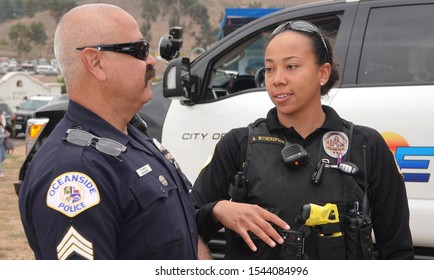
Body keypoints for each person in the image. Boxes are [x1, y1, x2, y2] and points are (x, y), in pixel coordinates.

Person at [192, 20, 414, 260]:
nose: (277, 79)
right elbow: (184, 223)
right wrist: (219, 209)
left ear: (323, 73)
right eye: (269, 69)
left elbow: (397, 251)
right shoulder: (238, 144)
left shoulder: (366, 145)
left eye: (291, 66)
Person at [19, 4, 201, 260]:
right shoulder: (76, 170)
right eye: (139, 50)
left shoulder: (133, 136)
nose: (150, 61)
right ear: (95, 63)